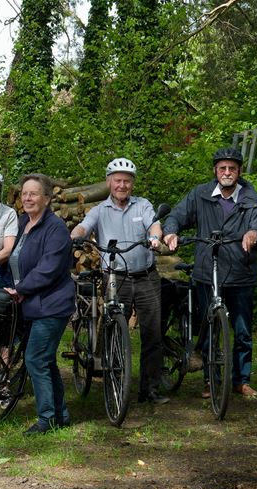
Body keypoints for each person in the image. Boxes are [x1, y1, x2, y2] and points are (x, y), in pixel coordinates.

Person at [163, 147, 257, 399]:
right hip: (206, 272)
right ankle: (211, 380)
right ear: (215, 170)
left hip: (241, 273)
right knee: (210, 328)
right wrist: (171, 231)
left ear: (239, 171)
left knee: (242, 331)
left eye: (232, 168)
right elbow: (177, 216)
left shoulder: (252, 199)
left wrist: (255, 233)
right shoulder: (200, 194)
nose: (227, 172)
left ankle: (241, 381)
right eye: (222, 168)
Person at [71, 158, 168, 404]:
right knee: (114, 329)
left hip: (146, 276)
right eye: (117, 181)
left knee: (152, 333)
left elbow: (154, 225)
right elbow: (83, 227)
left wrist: (155, 238)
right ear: (108, 182)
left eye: (126, 181)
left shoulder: (143, 205)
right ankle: (115, 380)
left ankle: (150, 389)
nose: (122, 185)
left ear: (132, 184)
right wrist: (75, 236)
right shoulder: (99, 210)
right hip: (115, 277)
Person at [6, 174, 75, 435]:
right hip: (32, 303)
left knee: (35, 358)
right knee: (46, 360)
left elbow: (48, 268)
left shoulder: (55, 228)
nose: (27, 198)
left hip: (52, 304)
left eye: (34, 193)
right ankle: (60, 415)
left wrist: (21, 288)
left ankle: (46, 419)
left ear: (46, 198)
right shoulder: (24, 222)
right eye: (24, 193)